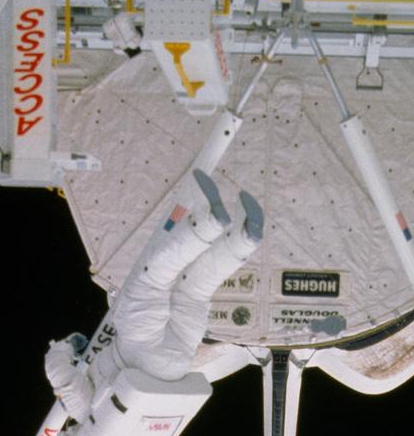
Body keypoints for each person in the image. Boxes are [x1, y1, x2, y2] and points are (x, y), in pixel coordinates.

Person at [46, 169, 263, 421]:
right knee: (153, 278)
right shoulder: (87, 417)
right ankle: (207, 223)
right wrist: (68, 346)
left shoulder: (132, 426)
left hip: (178, 364)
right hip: (138, 351)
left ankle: (243, 240)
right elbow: (59, 373)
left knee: (194, 291)